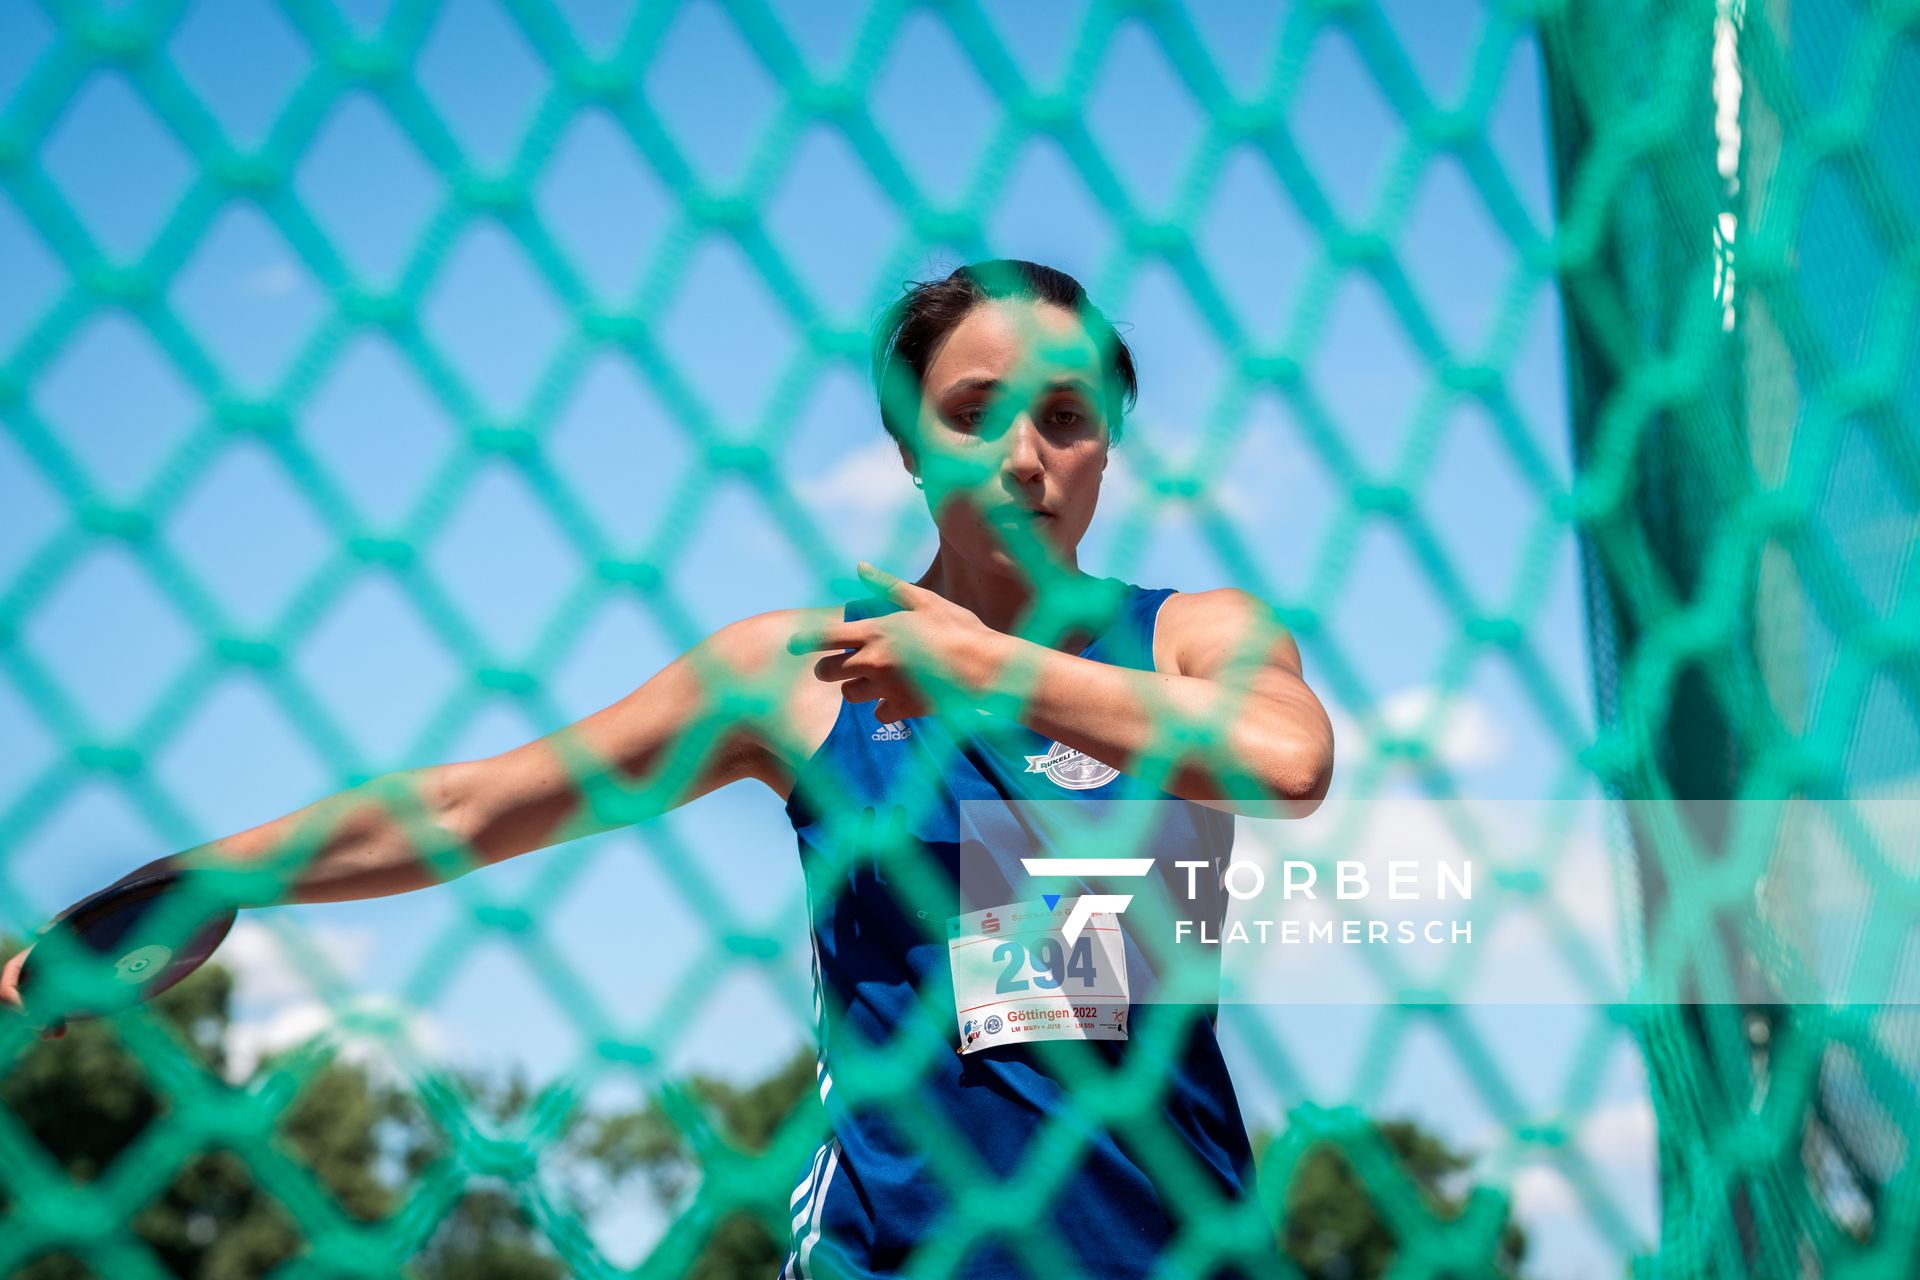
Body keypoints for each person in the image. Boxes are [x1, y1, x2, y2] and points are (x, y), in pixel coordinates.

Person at [2, 259, 1334, 1277]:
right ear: (909, 442)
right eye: (976, 412)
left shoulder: (1190, 638)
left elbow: (1286, 760)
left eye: (1067, 418)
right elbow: (478, 804)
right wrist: (211, 875)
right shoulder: (801, 677)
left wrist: (984, 668)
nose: (1026, 457)